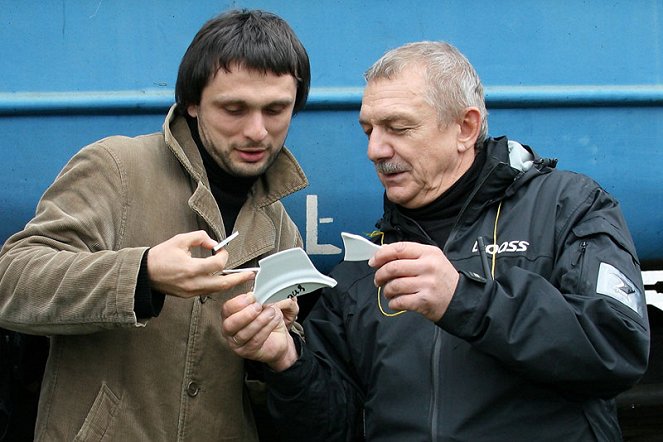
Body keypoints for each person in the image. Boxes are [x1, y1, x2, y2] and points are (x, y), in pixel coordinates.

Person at [221, 41, 650, 441]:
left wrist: (463, 299)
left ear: (465, 127)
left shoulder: (566, 206)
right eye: (368, 129)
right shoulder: (362, 265)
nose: (375, 149)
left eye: (398, 127)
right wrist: (286, 363)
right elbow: (335, 426)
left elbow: (617, 345)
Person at [0, 9, 309, 441]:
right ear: (192, 102)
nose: (257, 131)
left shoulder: (280, 225)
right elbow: (11, 283)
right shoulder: (115, 168)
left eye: (276, 109)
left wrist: (276, 345)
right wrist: (142, 274)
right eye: (234, 108)